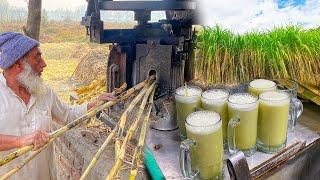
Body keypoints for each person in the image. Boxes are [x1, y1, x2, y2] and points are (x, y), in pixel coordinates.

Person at [0, 32, 115, 179]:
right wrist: (20, 141)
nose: (44, 64)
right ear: (17, 64)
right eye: (37, 57)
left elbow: (68, 115)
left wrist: (95, 103)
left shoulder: (43, 91)